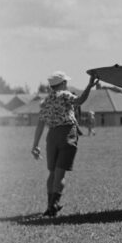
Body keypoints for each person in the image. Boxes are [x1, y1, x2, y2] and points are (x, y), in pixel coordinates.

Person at [30, 72, 99, 217]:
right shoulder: (65, 95)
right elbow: (80, 100)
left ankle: (50, 206)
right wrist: (89, 85)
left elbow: (40, 124)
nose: (67, 85)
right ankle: (54, 205)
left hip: (51, 136)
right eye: (66, 82)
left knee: (52, 173)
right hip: (67, 134)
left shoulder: (46, 101)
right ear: (62, 84)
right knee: (60, 173)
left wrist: (35, 145)